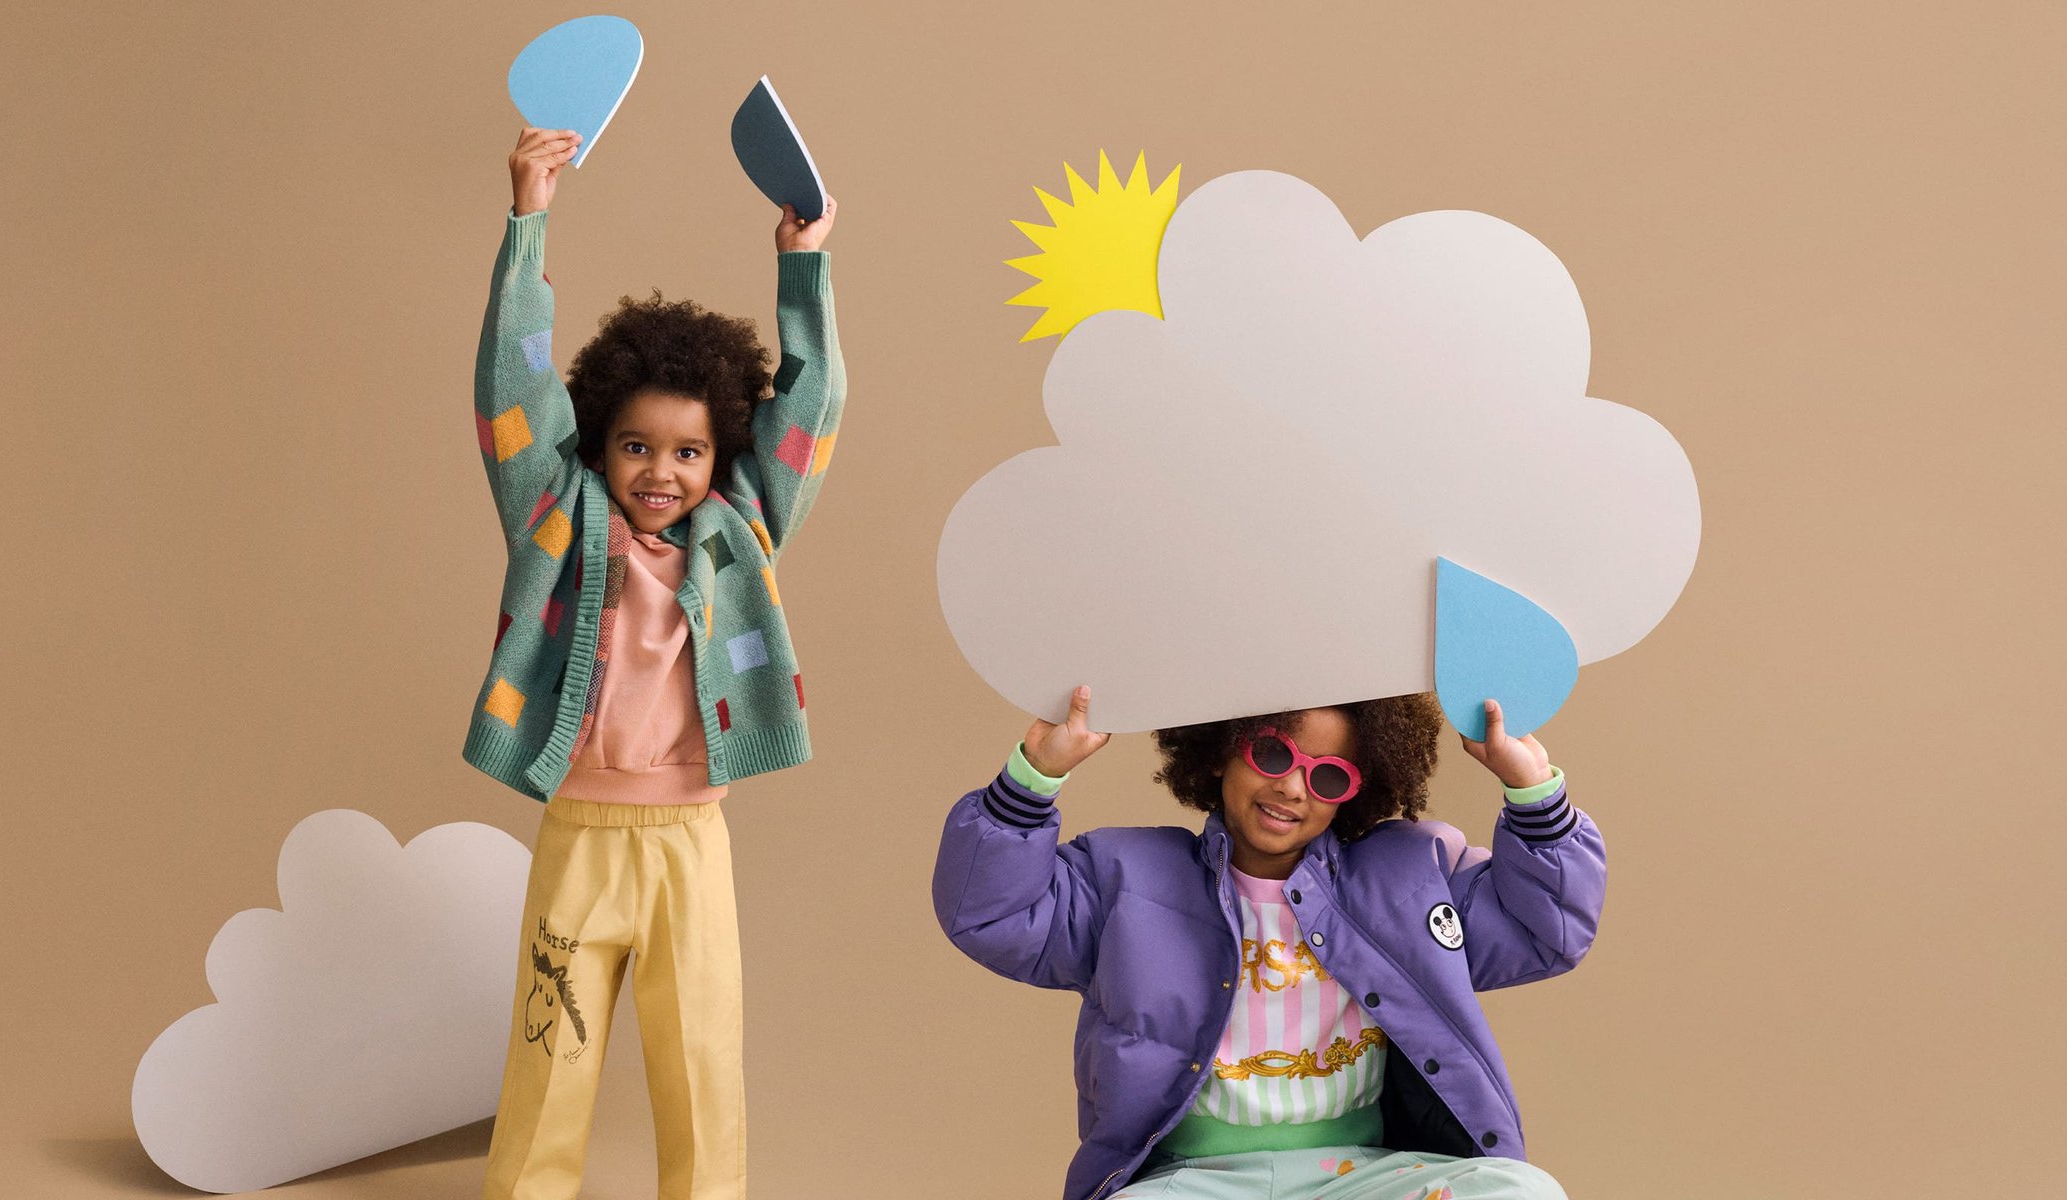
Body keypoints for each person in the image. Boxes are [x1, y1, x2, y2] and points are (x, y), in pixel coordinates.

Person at [468, 125, 842, 1200]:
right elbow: (510, 385)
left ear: (723, 453)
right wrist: (527, 225)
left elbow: (810, 406)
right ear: (597, 444)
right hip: (580, 834)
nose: (661, 472)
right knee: (551, 1063)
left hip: (690, 840)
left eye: (687, 451)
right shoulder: (556, 510)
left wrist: (801, 264)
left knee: (702, 1066)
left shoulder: (744, 525)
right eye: (636, 446)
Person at [933, 687, 1602, 1200]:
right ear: (1224, 746)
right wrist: (1031, 782)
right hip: (1193, 1180)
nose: (1291, 786)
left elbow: (1545, 930)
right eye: (1274, 753)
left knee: (1524, 1192)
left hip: (1358, 1178)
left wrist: (1533, 793)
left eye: (1329, 776)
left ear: (1356, 794)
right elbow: (994, 915)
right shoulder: (1126, 878)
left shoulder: (1413, 874)